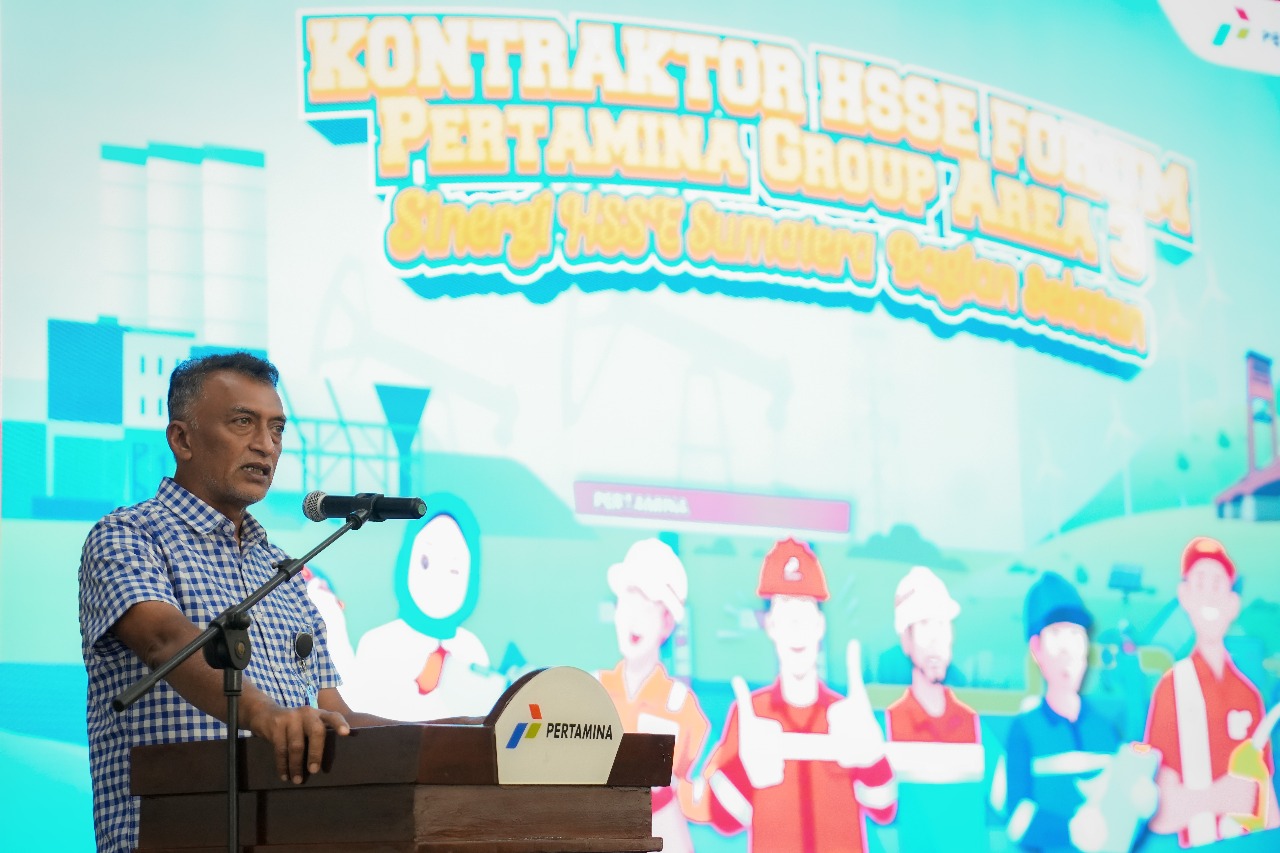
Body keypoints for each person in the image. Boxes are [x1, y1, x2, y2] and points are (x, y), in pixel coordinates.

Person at [78, 352, 388, 853]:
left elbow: (332, 712)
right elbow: (165, 641)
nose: (266, 445)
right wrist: (267, 716)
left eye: (277, 429)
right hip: (168, 838)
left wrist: (457, 731)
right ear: (182, 440)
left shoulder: (282, 571)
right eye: (243, 422)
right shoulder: (129, 536)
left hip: (281, 837)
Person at [700, 538, 896, 852]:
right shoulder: (750, 715)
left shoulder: (847, 715)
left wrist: (872, 758)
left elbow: (883, 810)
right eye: (785, 613)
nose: (796, 628)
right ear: (770, 626)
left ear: (820, 625)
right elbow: (725, 822)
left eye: (804, 612)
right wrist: (745, 772)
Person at [1145, 537, 1278, 846]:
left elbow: (1267, 796)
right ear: (1185, 595)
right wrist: (1217, 797)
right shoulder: (1172, 688)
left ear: (1233, 603)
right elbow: (1159, 813)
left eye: (1218, 584)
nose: (1209, 595)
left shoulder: (1249, 695)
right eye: (1200, 583)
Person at [999, 572, 1138, 853]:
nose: (1067, 651)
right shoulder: (1025, 731)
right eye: (1055, 636)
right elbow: (1016, 819)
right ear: (1036, 649)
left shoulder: (1105, 730)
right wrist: (1072, 829)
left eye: (1076, 635)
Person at [596, 538, 710, 853]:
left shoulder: (683, 707)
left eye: (648, 607)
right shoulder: (591, 690)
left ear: (667, 623)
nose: (634, 619)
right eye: (628, 603)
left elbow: (696, 796)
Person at [350, 494, 506, 720]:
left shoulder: (471, 648)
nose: (438, 580)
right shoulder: (377, 642)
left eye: (454, 569)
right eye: (425, 562)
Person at [884, 566, 985, 851]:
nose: (935, 640)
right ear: (906, 641)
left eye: (941, 625)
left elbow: (1006, 794)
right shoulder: (889, 724)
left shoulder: (972, 723)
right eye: (924, 626)